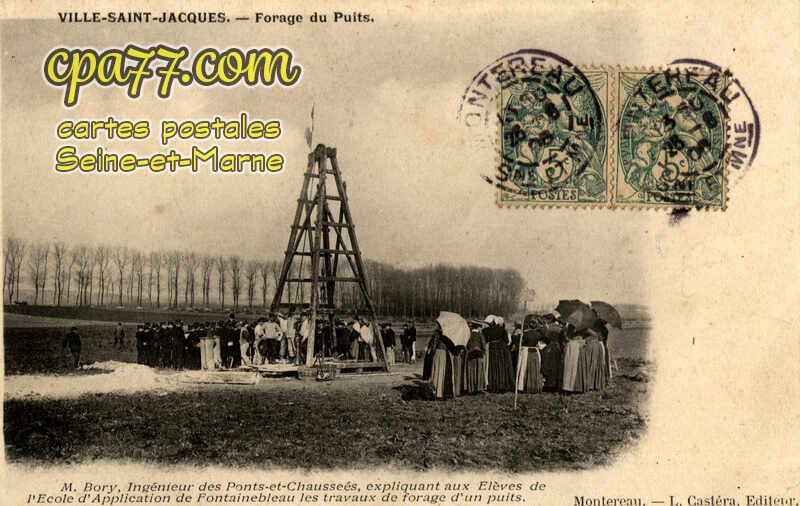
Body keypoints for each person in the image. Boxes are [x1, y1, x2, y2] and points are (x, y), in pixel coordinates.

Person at [484, 320, 515, 393]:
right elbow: (506, 341)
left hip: (491, 350)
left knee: (492, 368)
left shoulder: (485, 330)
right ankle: (501, 385)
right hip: (500, 350)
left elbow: (485, 340)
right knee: (501, 367)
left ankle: (493, 386)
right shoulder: (502, 330)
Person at [428, 327, 455, 400]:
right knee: (441, 373)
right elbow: (451, 348)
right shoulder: (446, 337)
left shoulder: (435, 336)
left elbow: (431, 347)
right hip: (443, 354)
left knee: (435, 373)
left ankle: (433, 391)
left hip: (436, 354)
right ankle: (439, 393)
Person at [516, 324, 544, 394]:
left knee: (524, 368)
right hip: (535, 352)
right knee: (534, 368)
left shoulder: (525, 334)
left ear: (529, 326)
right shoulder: (538, 334)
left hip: (526, 351)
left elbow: (520, 342)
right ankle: (533, 386)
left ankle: (523, 386)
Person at [464, 324, 487, 394]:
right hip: (479, 354)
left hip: (471, 354)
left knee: (471, 371)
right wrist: (483, 352)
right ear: (478, 328)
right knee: (479, 371)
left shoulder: (468, 335)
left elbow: (466, 345)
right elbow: (483, 345)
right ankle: (479, 388)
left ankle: (471, 388)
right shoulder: (480, 335)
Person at [562, 325, 585, 393]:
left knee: (569, 367)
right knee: (573, 367)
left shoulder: (570, 328)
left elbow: (566, 338)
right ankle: (573, 386)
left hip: (572, 346)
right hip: (576, 347)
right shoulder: (582, 328)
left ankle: (568, 386)